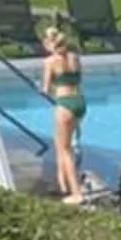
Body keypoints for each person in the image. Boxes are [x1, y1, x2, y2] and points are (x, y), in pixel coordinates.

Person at [40, 24, 87, 204]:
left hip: (64, 104)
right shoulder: (75, 57)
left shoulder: (49, 62)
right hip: (79, 102)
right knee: (61, 144)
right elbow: (79, 79)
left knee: (65, 149)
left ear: (50, 43)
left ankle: (76, 193)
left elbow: (46, 88)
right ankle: (63, 184)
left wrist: (44, 88)